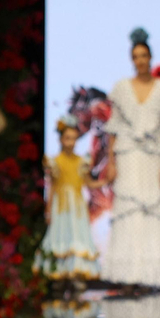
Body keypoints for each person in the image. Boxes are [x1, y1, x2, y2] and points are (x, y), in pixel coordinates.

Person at [100, 29, 160, 290]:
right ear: (131, 59)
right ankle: (127, 277)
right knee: (128, 211)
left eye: (144, 55)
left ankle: (148, 277)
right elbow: (113, 128)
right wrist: (111, 162)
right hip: (128, 155)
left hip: (152, 157)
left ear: (150, 57)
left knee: (150, 211)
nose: (140, 60)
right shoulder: (121, 88)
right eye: (136, 56)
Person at [37, 116, 101, 289]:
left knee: (77, 237)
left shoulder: (81, 161)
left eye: (73, 138)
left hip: (77, 207)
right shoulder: (54, 162)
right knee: (60, 236)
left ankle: (75, 275)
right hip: (61, 206)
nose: (71, 142)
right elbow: (51, 187)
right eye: (67, 138)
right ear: (60, 139)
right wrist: (48, 210)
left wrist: (105, 180)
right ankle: (58, 276)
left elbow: (89, 183)